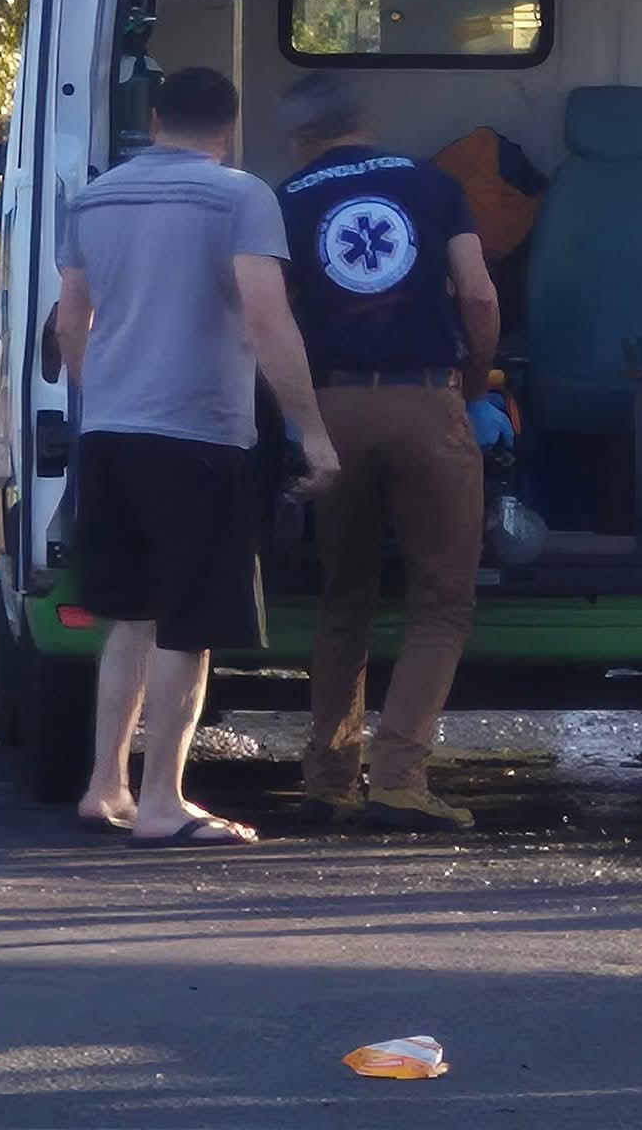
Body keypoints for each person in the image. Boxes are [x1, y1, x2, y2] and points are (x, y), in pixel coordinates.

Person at [56, 67, 338, 849]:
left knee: (130, 616)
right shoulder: (240, 195)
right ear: (229, 128)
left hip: (110, 432)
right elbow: (267, 317)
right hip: (200, 437)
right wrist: (311, 429)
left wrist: (104, 389)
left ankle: (105, 785)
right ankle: (163, 804)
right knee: (189, 623)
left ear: (154, 120)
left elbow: (71, 319)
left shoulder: (94, 198)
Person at [275, 76, 502, 832]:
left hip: (333, 406)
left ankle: (329, 778)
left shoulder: (288, 195)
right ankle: (400, 778)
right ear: (367, 123)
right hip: (425, 401)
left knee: (346, 597)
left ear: (301, 134)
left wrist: (293, 413)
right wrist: (471, 388)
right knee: (442, 601)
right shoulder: (432, 185)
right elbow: (477, 297)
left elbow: (269, 316)